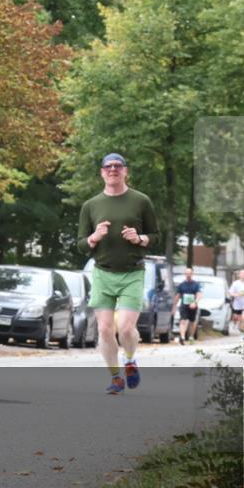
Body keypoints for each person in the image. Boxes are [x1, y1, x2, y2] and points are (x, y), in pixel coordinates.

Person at [76, 153, 159, 395]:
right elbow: (81, 244)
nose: (113, 169)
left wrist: (140, 238)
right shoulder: (91, 206)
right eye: (108, 166)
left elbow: (155, 236)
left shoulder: (141, 201)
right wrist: (94, 237)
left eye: (118, 166)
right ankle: (115, 378)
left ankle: (130, 360)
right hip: (102, 272)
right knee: (103, 329)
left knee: (124, 328)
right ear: (102, 172)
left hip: (132, 272)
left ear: (126, 171)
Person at [172, 268, 202, 346]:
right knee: (183, 320)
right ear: (185, 274)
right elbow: (177, 295)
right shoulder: (181, 285)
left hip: (193, 305)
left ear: (192, 274)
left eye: (189, 273)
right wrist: (174, 306)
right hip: (184, 305)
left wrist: (195, 302)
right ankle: (182, 337)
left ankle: (191, 336)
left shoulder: (196, 284)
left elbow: (199, 294)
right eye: (186, 273)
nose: (188, 275)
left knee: (192, 322)